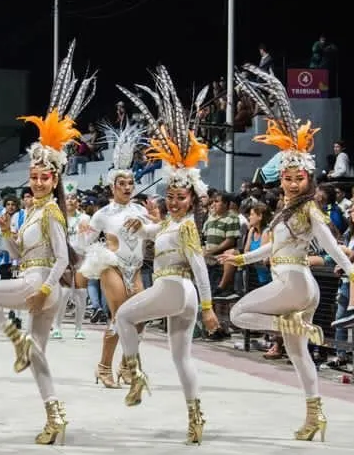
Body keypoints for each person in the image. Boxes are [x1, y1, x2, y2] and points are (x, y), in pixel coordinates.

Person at [220, 64, 354, 442]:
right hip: (294, 283)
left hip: (295, 283)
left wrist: (353, 273)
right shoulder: (285, 210)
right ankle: (315, 415)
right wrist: (242, 258)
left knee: (240, 313)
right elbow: (275, 247)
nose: (291, 183)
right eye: (287, 178)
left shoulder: (309, 209)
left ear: (309, 178)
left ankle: (297, 326)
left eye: (298, 178)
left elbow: (328, 243)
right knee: (298, 355)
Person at [0, 39, 95, 445]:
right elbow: (19, 254)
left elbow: (62, 259)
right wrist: (5, 233)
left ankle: (13, 337)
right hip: (37, 282)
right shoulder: (32, 213)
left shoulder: (54, 211)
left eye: (45, 177)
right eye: (35, 176)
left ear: (55, 180)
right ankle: (55, 415)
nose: (38, 181)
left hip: (41, 285)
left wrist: (41, 289)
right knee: (38, 357)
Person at [115, 65, 219, 444]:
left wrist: (208, 307)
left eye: (181, 198)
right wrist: (141, 227)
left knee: (124, 317)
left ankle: (134, 372)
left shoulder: (188, 226)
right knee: (181, 358)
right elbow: (156, 231)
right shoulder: (172, 224)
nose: (175, 203)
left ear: (191, 198)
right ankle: (195, 419)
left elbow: (199, 266)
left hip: (178, 289)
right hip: (181, 296)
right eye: (171, 197)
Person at [79, 119, 150, 388]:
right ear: (113, 186)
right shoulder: (102, 214)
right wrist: (83, 229)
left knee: (140, 319)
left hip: (137, 268)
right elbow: (82, 243)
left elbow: (152, 234)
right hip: (113, 267)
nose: (128, 187)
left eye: (131, 182)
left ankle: (125, 364)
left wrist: (153, 222)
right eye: (122, 183)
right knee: (120, 317)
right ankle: (104, 366)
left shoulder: (141, 211)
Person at [51, 180, 90, 339]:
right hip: (64, 259)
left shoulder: (85, 218)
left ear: (77, 200)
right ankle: (57, 326)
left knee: (81, 294)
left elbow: (88, 242)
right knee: (65, 292)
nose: (71, 201)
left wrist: (84, 234)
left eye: (73, 198)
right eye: (67, 198)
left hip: (81, 258)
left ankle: (78, 328)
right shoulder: (57, 218)